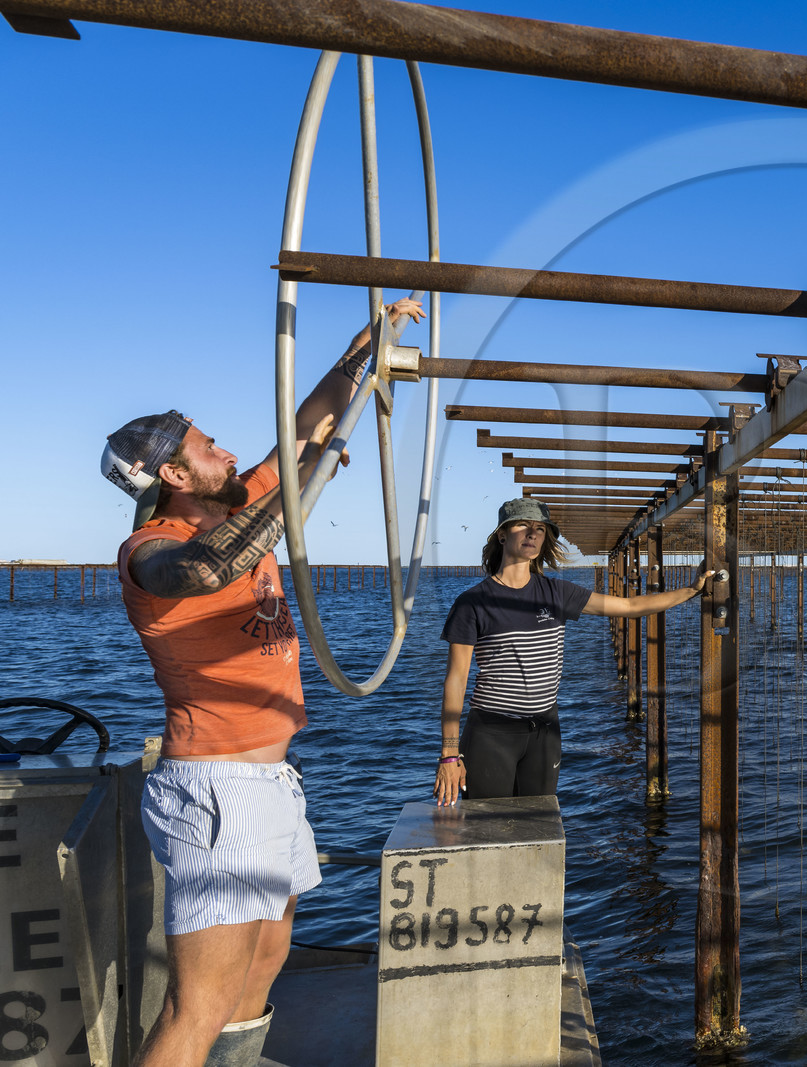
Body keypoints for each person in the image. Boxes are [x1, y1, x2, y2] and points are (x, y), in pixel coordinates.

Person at [103, 299, 424, 1067]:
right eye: (208, 447)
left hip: (273, 775)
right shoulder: (152, 545)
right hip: (217, 785)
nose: (227, 452)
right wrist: (302, 481)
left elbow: (313, 410)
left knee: (262, 965)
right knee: (198, 1004)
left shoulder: (240, 499)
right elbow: (210, 567)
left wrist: (371, 342)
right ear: (175, 473)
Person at [433, 498, 708, 804]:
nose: (533, 534)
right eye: (523, 525)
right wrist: (449, 753)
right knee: (487, 828)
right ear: (502, 534)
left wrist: (691, 590)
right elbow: (456, 680)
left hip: (545, 731)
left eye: (540, 529)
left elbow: (630, 607)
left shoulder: (557, 593)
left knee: (538, 825)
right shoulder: (473, 603)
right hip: (491, 732)